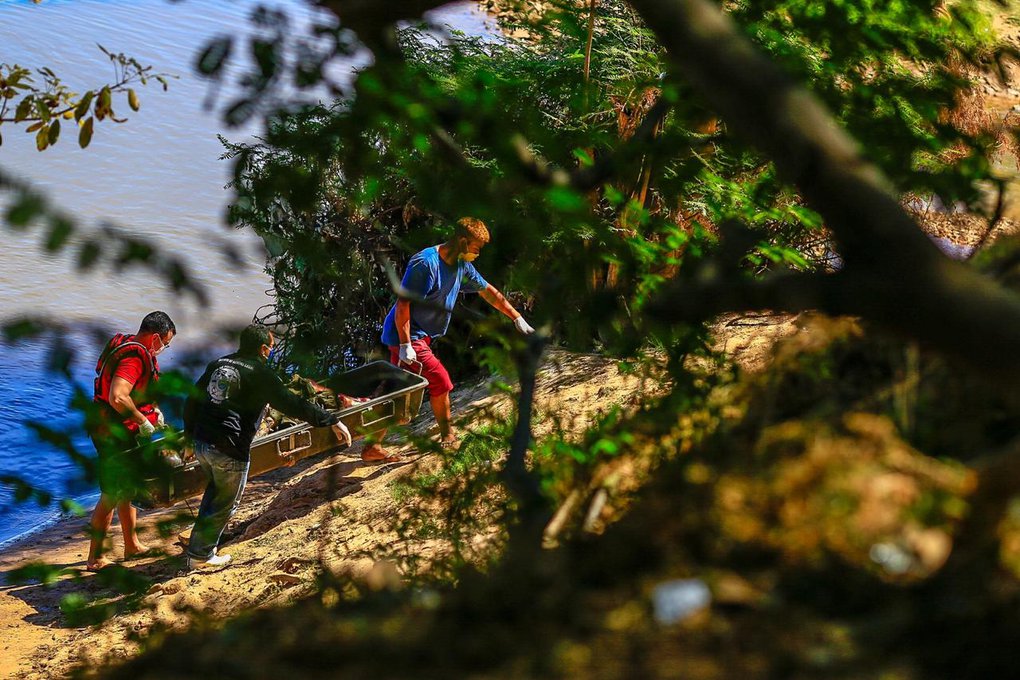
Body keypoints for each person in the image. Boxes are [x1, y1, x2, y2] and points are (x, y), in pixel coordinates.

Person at [183, 324, 351, 569]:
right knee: (224, 502)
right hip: (229, 447)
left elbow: (192, 401)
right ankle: (201, 556)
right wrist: (330, 419)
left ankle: (201, 548)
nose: (271, 352)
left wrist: (189, 439)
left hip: (202, 442)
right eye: (271, 348)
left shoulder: (218, 364)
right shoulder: (261, 374)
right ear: (263, 349)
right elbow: (291, 403)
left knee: (215, 494)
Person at [377, 217, 535, 454]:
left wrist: (517, 318)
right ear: (462, 241)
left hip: (421, 337)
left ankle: (371, 446)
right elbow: (403, 305)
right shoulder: (425, 264)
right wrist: (405, 343)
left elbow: (488, 292)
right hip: (406, 336)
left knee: (398, 396)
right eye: (476, 248)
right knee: (440, 380)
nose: (477, 254)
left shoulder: (461, 265)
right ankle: (448, 436)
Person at [86, 310, 176, 571]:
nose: (164, 349)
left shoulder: (124, 342)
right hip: (112, 434)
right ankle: (96, 558)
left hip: (114, 429)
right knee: (111, 493)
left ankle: (131, 544)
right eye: (165, 344)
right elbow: (118, 397)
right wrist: (142, 420)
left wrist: (153, 411)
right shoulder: (135, 357)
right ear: (155, 338)